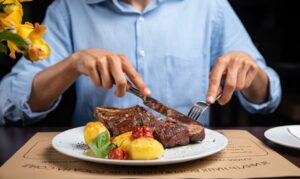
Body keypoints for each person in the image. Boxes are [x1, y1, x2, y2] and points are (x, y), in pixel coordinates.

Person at [0, 0, 281, 126]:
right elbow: (9, 104)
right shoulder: (67, 8)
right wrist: (71, 64)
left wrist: (250, 71)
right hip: (96, 168)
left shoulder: (211, 6)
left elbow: (267, 98)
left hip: (196, 166)